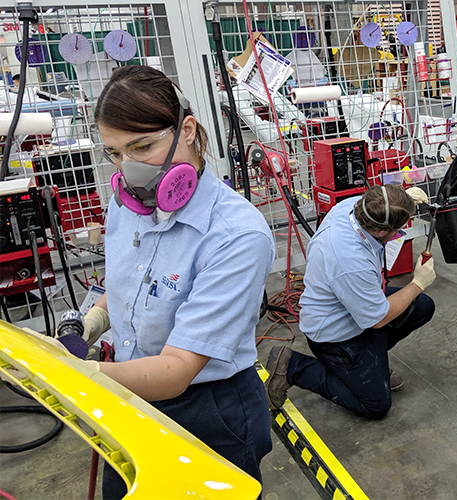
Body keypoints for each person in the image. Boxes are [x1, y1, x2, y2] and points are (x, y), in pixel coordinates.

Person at [83, 65, 275, 498]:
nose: (128, 167)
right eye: (115, 153)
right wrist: (92, 322)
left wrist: (83, 375)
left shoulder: (236, 235)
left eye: (143, 145)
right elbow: (126, 287)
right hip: (128, 394)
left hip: (209, 409)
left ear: (187, 130)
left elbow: (175, 372)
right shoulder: (123, 208)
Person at [264, 185, 436, 420]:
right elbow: (378, 319)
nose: (398, 233)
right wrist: (417, 283)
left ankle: (369, 365)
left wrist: (405, 199)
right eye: (396, 230)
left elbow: (381, 202)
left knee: (422, 306)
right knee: (376, 406)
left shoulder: (356, 208)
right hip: (335, 335)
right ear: (380, 231)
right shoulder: (349, 261)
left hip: (357, 305)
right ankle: (293, 366)